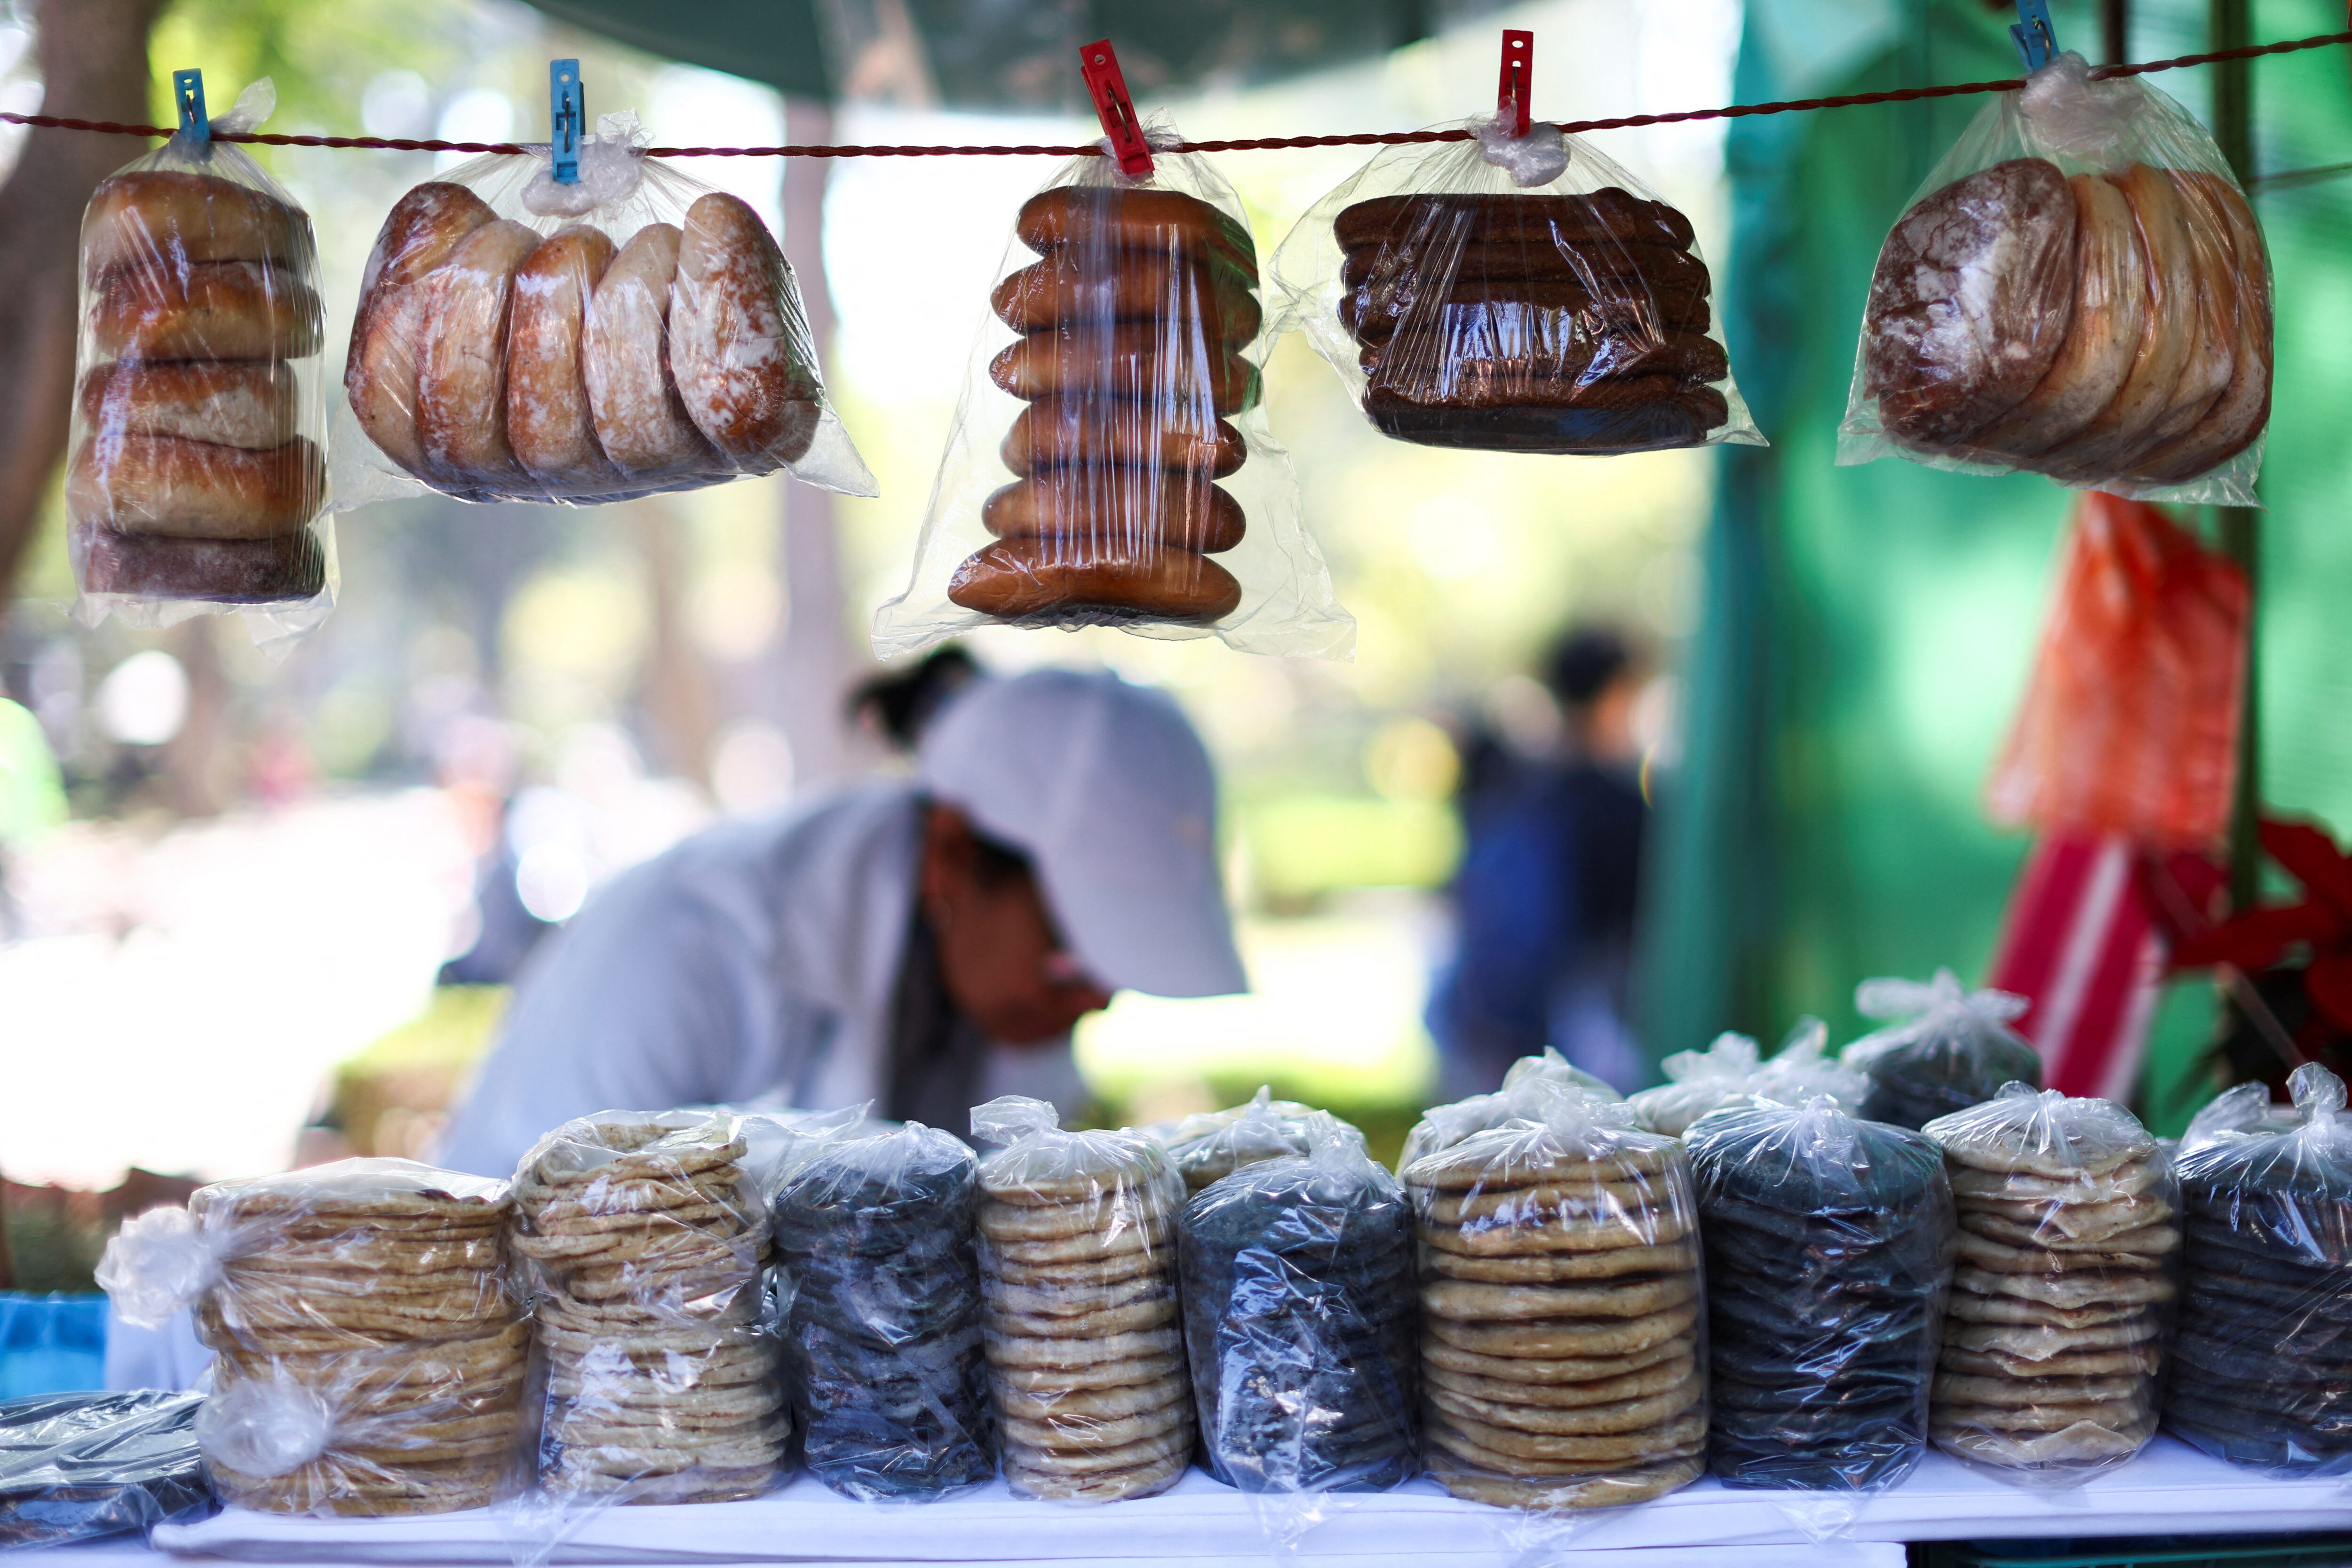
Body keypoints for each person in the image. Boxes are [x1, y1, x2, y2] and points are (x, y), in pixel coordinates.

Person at [435, 662, 1247, 1179]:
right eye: (1075, 953)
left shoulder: (1006, 986)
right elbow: (545, 1239)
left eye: (1119, 964)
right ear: (952, 853)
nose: (1095, 999)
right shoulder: (685, 943)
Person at [1425, 628, 1650, 1099]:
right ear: (1617, 691)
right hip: (1582, 1024)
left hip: (1500, 1020)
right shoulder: (1616, 802)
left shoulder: (1516, 781)